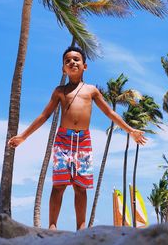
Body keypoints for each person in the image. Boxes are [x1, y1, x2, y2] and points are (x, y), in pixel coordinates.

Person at [8, 46, 147, 231]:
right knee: (59, 185)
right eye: (67, 61)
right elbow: (44, 116)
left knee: (81, 187)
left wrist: (131, 130)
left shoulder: (91, 91)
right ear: (63, 69)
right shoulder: (60, 91)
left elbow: (110, 112)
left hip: (83, 142)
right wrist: (23, 136)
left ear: (85, 66)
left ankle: (81, 228)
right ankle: (52, 226)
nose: (72, 62)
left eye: (76, 59)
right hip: (63, 141)